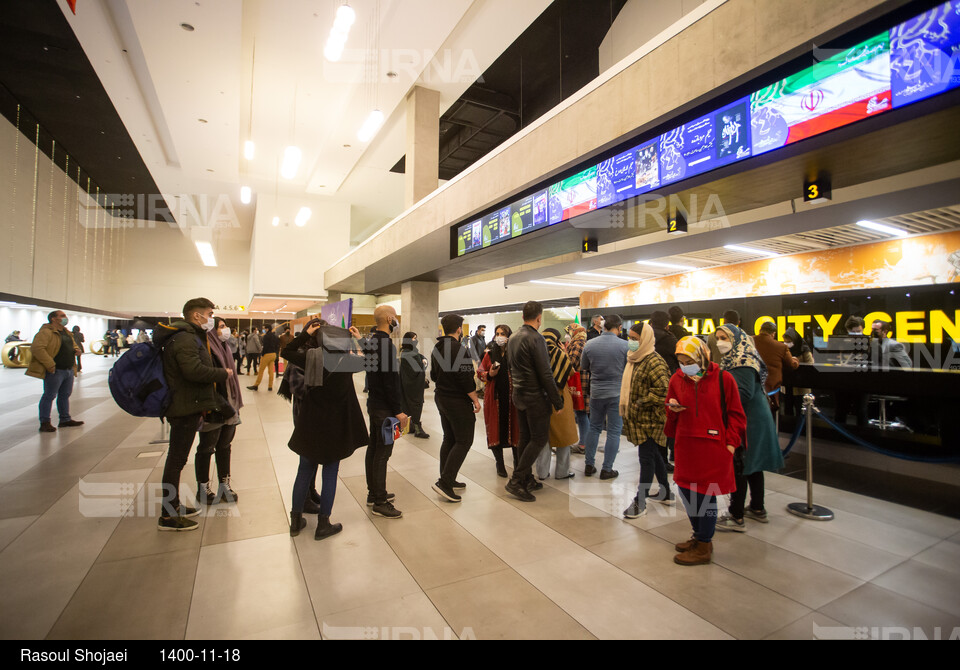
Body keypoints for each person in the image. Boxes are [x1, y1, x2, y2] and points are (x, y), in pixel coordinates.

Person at [153, 298, 233, 532]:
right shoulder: (186, 338)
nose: (211, 318)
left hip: (188, 404)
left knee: (177, 460)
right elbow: (193, 370)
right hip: (184, 407)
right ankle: (168, 515)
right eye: (209, 314)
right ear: (196, 316)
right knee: (176, 461)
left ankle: (173, 506)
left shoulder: (187, 336)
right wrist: (222, 373)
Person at [285, 319, 368, 540]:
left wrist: (304, 334)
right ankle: (323, 524)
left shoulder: (311, 356)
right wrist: (360, 339)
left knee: (304, 469)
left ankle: (295, 521)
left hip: (310, 422)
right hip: (335, 424)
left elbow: (287, 351)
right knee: (330, 473)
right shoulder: (349, 361)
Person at [666, 337, 746, 566]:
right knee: (686, 490)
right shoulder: (677, 378)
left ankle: (704, 544)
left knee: (706, 494)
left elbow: (737, 415)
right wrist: (672, 406)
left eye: (688, 360)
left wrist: (730, 443)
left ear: (701, 356)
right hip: (686, 443)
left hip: (713, 446)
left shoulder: (724, 378)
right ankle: (699, 536)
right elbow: (670, 410)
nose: (684, 365)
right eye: (681, 361)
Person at [713, 324, 784, 532]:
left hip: (749, 420)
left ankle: (736, 515)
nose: (720, 342)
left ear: (736, 339)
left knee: (740, 465)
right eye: (718, 337)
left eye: (724, 337)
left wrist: (716, 400)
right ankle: (757, 508)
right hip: (753, 417)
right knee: (753, 465)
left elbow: (742, 393)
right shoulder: (736, 358)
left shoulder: (743, 361)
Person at [505, 301, 563, 501]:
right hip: (536, 397)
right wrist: (557, 401)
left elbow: (509, 366)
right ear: (539, 318)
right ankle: (516, 479)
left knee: (525, 438)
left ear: (523, 316)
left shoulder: (512, 337)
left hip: (519, 394)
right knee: (538, 439)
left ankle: (527, 478)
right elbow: (545, 374)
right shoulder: (536, 338)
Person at [621, 322, 673, 519]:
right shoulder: (635, 358)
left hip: (651, 421)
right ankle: (666, 491)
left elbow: (664, 391)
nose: (631, 342)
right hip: (639, 420)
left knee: (646, 458)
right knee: (656, 455)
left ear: (646, 340)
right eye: (630, 338)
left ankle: (640, 501)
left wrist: (640, 402)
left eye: (636, 339)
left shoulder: (654, 361)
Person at [430, 315, 481, 502]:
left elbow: (434, 375)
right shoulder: (459, 348)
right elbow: (465, 377)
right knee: (464, 440)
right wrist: (475, 399)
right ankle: (444, 482)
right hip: (457, 401)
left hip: (441, 397)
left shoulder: (438, 347)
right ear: (459, 329)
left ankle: (447, 477)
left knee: (450, 438)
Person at [364, 305, 408, 518]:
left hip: (374, 404)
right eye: (396, 317)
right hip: (385, 409)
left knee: (374, 449)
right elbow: (390, 380)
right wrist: (398, 410)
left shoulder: (372, 341)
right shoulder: (386, 345)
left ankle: (374, 492)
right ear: (390, 318)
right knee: (383, 453)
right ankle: (380, 502)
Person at [195, 318, 243, 506]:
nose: (225, 330)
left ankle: (225, 485)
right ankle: (203, 487)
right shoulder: (206, 350)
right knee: (207, 447)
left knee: (225, 446)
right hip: (213, 405)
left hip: (230, 405)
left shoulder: (225, 348)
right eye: (221, 327)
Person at [580, 313, 629, 480]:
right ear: (619, 327)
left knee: (594, 428)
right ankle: (607, 469)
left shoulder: (590, 344)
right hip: (616, 393)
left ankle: (589, 464)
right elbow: (628, 369)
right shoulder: (625, 346)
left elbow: (584, 367)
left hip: (596, 392)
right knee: (614, 431)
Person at [27, 310, 84, 433]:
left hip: (68, 369)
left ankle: (65, 419)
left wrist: (76, 350)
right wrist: (50, 364)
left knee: (65, 395)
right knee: (49, 395)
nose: (65, 318)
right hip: (55, 370)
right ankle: (45, 422)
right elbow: (37, 348)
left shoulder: (66, 332)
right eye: (62, 316)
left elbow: (73, 345)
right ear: (53, 318)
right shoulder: (45, 333)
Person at [478, 325, 520, 477]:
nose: (499, 336)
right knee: (496, 429)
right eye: (497, 334)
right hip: (495, 398)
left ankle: (517, 463)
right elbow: (480, 372)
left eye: (503, 333)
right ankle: (500, 464)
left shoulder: (515, 353)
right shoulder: (489, 354)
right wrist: (489, 373)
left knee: (515, 429)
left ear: (509, 336)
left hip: (513, 398)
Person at [537, 329, 577, 480]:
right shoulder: (560, 354)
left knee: (543, 438)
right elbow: (571, 372)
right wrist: (564, 352)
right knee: (563, 437)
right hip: (560, 398)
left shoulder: (537, 353)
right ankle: (562, 472)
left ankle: (542, 472)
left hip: (541, 398)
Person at [753, 321, 798, 407]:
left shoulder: (748, 341)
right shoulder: (781, 347)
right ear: (773, 334)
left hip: (751, 387)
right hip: (770, 391)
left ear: (760, 330)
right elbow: (792, 365)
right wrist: (795, 360)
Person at [564, 323, 590, 454]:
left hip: (579, 381)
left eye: (570, 331)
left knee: (581, 412)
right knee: (582, 412)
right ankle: (584, 443)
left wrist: (564, 354)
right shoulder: (584, 342)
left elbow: (571, 362)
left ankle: (583, 444)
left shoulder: (578, 343)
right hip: (583, 381)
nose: (568, 334)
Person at [399, 332, 430, 438]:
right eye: (413, 338)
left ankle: (411, 426)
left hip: (408, 383)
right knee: (416, 405)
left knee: (409, 405)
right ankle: (417, 428)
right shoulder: (409, 353)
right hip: (413, 385)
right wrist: (424, 363)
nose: (415, 340)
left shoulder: (407, 352)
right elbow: (418, 368)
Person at [782, 327, 814, 416]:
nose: (787, 344)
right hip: (787, 385)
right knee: (788, 409)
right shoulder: (784, 350)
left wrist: (796, 363)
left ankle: (801, 429)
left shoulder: (804, 350)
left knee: (800, 410)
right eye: (785, 341)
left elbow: (810, 364)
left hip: (801, 386)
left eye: (789, 341)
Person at [247, 324, 278, 391]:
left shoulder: (266, 336)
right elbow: (277, 345)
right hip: (273, 354)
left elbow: (265, 346)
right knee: (271, 371)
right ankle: (270, 386)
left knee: (261, 370)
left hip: (267, 355)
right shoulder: (275, 336)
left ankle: (256, 385)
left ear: (267, 328)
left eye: (264, 328)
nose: (263, 330)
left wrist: (262, 354)